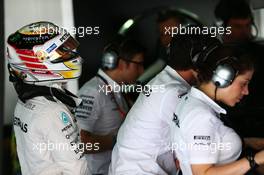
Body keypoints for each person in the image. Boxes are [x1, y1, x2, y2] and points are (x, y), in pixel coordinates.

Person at [108, 34, 221, 175]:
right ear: (197, 62)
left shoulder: (165, 82)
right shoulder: (173, 92)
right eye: (212, 63)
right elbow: (201, 140)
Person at [7, 21, 88, 175]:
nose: (71, 55)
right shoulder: (53, 112)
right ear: (38, 62)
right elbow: (78, 170)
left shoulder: (25, 101)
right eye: (62, 52)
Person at [170, 43, 264, 175]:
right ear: (223, 77)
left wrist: (247, 143)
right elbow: (203, 173)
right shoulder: (201, 116)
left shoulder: (191, 101)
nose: (246, 91)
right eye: (243, 83)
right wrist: (257, 159)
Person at [75, 38, 145, 175]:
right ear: (121, 63)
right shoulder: (92, 92)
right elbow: (81, 143)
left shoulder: (118, 90)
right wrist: (119, 141)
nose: (142, 71)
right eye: (139, 64)